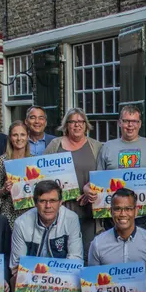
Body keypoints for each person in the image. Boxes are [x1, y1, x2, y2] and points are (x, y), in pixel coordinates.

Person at [10, 180, 87, 292]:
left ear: (61, 202)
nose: (48, 206)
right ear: (34, 202)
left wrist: (52, 285)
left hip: (62, 278)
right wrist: (39, 287)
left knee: (83, 280)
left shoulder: (71, 218)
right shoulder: (21, 224)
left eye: (52, 201)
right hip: (32, 281)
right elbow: (17, 266)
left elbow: (76, 258)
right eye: (42, 201)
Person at [43, 108, 102, 255]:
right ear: (66, 125)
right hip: (61, 210)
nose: (77, 125)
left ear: (86, 124)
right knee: (62, 253)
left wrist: (90, 188)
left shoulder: (97, 147)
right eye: (72, 122)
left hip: (88, 210)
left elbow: (104, 174)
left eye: (80, 121)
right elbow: (42, 174)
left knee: (89, 252)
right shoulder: (55, 145)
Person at [94, 105, 146, 232]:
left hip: (143, 216)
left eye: (134, 121)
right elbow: (98, 181)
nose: (130, 125)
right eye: (126, 121)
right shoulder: (107, 147)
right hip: (114, 215)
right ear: (120, 123)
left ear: (140, 124)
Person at [0, 120, 32, 292]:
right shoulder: (2, 161)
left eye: (22, 135)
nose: (19, 139)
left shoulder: (35, 160)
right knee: (13, 261)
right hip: (9, 215)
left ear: (27, 137)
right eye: (15, 135)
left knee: (28, 260)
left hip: (30, 215)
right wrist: (4, 190)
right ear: (10, 137)